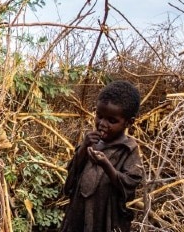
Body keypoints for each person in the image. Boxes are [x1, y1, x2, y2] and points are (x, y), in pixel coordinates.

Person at [60, 80, 144, 232]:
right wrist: (83, 148)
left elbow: (128, 186)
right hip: (78, 214)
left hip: (106, 219)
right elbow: (71, 179)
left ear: (129, 123)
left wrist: (106, 164)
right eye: (99, 116)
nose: (102, 124)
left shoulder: (128, 150)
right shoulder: (90, 142)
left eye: (112, 120)